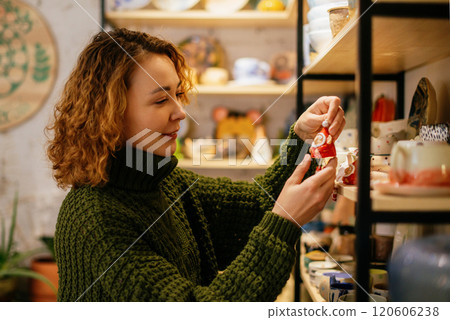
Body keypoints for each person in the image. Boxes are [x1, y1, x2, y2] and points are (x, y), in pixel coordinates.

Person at [46, 28, 345, 302]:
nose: (180, 112)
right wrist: (285, 220)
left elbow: (257, 206)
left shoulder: (165, 182)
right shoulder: (95, 218)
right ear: (112, 113)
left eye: (177, 94)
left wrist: (302, 138)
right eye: (161, 100)